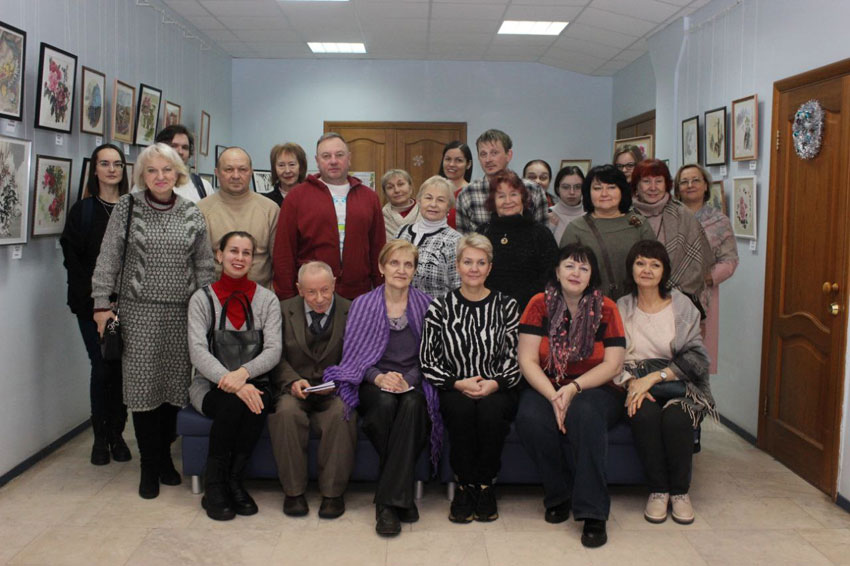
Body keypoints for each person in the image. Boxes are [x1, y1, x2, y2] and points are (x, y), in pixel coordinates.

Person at [92, 143, 215, 499]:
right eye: (152, 170)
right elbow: (108, 258)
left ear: (178, 173)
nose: (160, 176)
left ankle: (164, 459)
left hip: (182, 313)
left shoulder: (192, 212)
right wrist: (101, 305)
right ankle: (149, 464)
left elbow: (204, 265)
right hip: (138, 312)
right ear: (142, 175)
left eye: (167, 169)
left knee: (175, 391)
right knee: (143, 391)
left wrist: (206, 310)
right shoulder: (127, 207)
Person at [323, 240, 440, 537]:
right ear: (381, 267)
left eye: (408, 264)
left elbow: (431, 357)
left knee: (412, 404)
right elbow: (354, 358)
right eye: (394, 263)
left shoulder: (427, 305)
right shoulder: (363, 304)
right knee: (386, 403)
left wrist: (408, 380)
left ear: (415, 270)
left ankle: (387, 504)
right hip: (372, 382)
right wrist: (378, 378)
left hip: (413, 381)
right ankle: (401, 498)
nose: (401, 270)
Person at [515, 243, 626, 548]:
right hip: (547, 384)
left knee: (585, 414)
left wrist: (573, 389)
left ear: (592, 276)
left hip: (596, 387)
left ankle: (593, 513)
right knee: (530, 418)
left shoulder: (607, 308)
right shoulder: (538, 304)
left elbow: (614, 365)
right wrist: (554, 395)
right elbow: (527, 360)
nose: (575, 273)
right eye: (569, 265)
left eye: (583, 267)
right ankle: (559, 494)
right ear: (557, 270)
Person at [420, 233, 521, 523]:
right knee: (461, 411)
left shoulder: (507, 306)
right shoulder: (439, 307)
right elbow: (428, 360)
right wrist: (456, 382)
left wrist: (494, 383)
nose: (474, 268)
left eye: (481, 262)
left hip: (497, 385)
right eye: (467, 262)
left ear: (490, 268)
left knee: (490, 413)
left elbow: (516, 358)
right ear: (457, 266)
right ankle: (464, 486)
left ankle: (486, 485)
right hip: (454, 385)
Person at [617, 240, 716, 525]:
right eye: (640, 263)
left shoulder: (682, 304)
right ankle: (658, 491)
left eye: (655, 264)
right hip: (635, 380)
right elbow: (615, 355)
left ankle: (680, 493)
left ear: (664, 271)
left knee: (676, 417)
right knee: (643, 414)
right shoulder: (622, 306)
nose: (646, 270)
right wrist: (630, 383)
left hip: (679, 382)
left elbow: (697, 357)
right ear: (631, 268)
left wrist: (654, 377)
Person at [187, 231, 282, 521]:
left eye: (246, 253)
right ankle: (214, 485)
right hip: (209, 385)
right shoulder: (201, 299)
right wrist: (234, 384)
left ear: (253, 259)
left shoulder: (267, 300)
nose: (239, 258)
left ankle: (235, 481)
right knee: (232, 403)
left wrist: (243, 375)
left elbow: (274, 350)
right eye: (233, 251)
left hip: (255, 382)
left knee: (257, 404)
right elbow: (198, 352)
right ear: (219, 255)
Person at [60, 143, 132, 466]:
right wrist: (97, 305)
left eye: (117, 164)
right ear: (95, 169)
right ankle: (101, 437)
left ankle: (118, 434)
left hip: (128, 305)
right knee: (101, 367)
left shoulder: (132, 209)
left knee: (120, 370)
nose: (112, 169)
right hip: (91, 306)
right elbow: (73, 263)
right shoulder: (83, 211)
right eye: (105, 163)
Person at [267, 261, 357, 519]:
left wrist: (337, 381)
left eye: (325, 290)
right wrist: (292, 381)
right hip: (295, 388)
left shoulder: (352, 310)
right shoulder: (282, 310)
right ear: (299, 289)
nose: (319, 299)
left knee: (342, 414)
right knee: (286, 414)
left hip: (335, 389)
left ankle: (333, 494)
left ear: (334, 285)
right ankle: (294, 492)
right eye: (311, 292)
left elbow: (357, 356)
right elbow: (274, 355)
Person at [273, 133, 385, 300]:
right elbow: (284, 252)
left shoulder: (369, 197)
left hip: (359, 296)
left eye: (339, 155)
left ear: (349, 158)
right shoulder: (296, 197)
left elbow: (378, 249)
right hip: (312, 296)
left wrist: (382, 291)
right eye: (326, 156)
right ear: (317, 161)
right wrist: (287, 299)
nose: (333, 161)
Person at [674, 164, 738, 374]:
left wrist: (706, 278)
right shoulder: (669, 217)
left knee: (695, 364)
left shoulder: (719, 221)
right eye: (684, 181)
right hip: (668, 294)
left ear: (706, 186)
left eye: (695, 180)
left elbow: (730, 260)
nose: (690, 185)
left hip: (703, 296)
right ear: (677, 188)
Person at [560, 164, 655, 300]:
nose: (604, 194)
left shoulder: (639, 224)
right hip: (590, 305)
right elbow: (565, 274)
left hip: (636, 303)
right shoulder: (576, 228)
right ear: (588, 193)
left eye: (611, 187)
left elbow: (655, 265)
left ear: (622, 190)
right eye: (597, 188)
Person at [197, 147, 279, 288]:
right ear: (217, 172)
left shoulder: (270, 210)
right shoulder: (200, 210)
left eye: (242, 170)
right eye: (229, 169)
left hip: (261, 295)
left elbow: (279, 261)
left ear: (251, 172)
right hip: (214, 296)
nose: (236, 176)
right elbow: (197, 262)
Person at [630, 159, 712, 302]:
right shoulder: (625, 215)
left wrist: (668, 296)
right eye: (646, 181)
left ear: (667, 184)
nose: (653, 187)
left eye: (659, 181)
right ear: (636, 186)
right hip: (630, 298)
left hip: (678, 300)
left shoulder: (683, 214)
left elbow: (699, 262)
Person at [479, 170, 558, 311]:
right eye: (501, 196)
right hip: (487, 311)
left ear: (523, 197)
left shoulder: (541, 234)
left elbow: (550, 276)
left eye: (513, 194)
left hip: (529, 312)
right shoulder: (482, 233)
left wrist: (516, 303)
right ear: (493, 201)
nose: (508, 201)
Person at [455, 129, 549, 233]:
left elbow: (543, 236)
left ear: (509, 155)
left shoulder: (533, 190)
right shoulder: (467, 194)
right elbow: (463, 240)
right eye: (483, 154)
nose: (488, 159)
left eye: (494, 153)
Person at [397, 175, 461, 298]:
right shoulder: (402, 232)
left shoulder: (456, 241)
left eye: (440, 200)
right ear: (419, 201)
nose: (433, 204)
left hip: (436, 309)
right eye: (428, 198)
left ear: (449, 206)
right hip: (398, 306)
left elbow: (459, 288)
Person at [142, 124, 213, 202]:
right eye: (174, 146)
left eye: (185, 147)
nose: (180, 152)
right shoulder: (147, 183)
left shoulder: (203, 187)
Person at [439, 141, 473, 229]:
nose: (451, 164)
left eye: (459, 160)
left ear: (468, 164)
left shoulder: (472, 193)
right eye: (448, 159)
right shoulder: (434, 191)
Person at [548, 165, 585, 242]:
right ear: (557, 189)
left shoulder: (592, 215)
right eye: (565, 187)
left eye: (577, 187)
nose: (572, 192)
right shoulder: (549, 215)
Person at [381, 169, 420, 240]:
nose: (397, 190)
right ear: (385, 193)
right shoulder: (380, 218)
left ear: (410, 187)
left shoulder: (425, 212)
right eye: (390, 187)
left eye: (401, 184)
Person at [266, 142, 308, 207]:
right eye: (281, 165)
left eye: (292, 164)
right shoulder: (267, 201)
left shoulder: (312, 197)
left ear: (301, 167)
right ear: (274, 169)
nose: (287, 171)